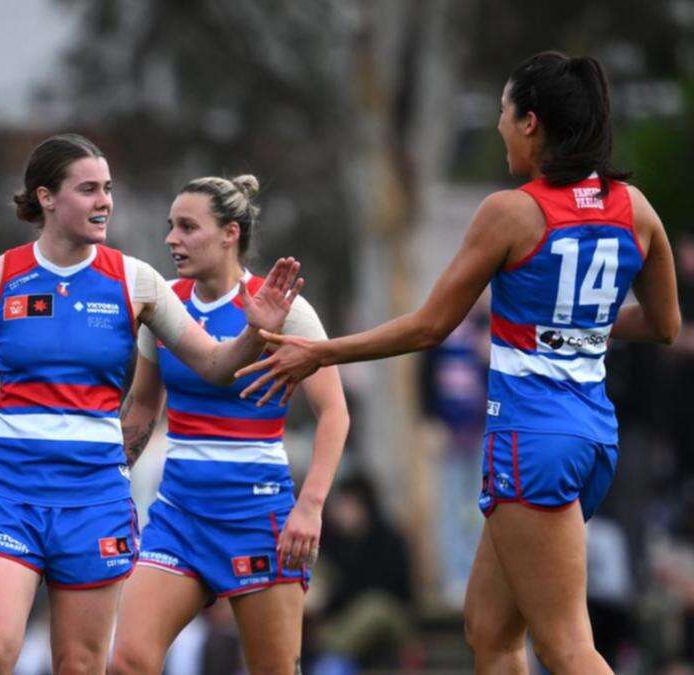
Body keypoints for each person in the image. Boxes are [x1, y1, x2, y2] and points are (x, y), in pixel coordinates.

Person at [238, 52, 682, 674]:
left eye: (503, 112)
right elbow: (664, 325)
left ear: (530, 123)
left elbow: (429, 326)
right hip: (590, 437)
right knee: (489, 630)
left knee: (564, 644)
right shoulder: (634, 208)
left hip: (534, 441)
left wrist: (322, 352)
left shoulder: (512, 211)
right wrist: (573, 326)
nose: (499, 126)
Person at [0, 133, 304, 674]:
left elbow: (214, 365)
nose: (104, 201)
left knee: (81, 665)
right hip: (9, 492)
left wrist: (255, 334)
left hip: (94, 497)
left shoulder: (136, 280)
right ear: (46, 198)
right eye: (89, 190)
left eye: (107, 189)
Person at [108, 174, 349, 675]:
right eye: (170, 226)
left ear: (230, 233)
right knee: (129, 659)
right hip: (178, 517)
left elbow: (334, 414)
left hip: (258, 520)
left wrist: (310, 507)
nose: (172, 239)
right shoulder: (165, 305)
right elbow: (143, 407)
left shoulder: (285, 307)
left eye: (188, 227)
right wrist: (110, 480)